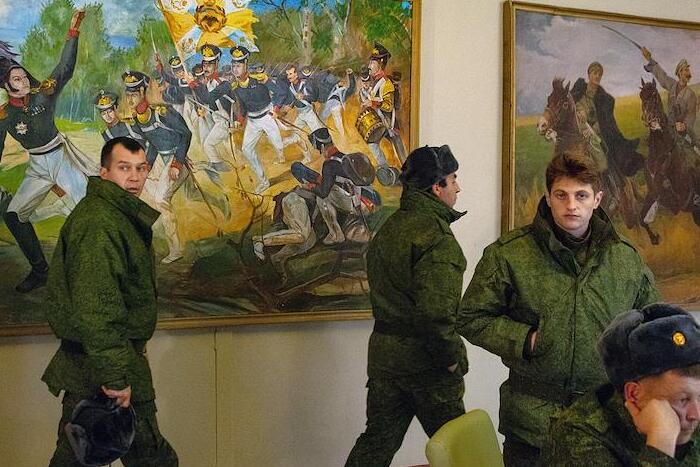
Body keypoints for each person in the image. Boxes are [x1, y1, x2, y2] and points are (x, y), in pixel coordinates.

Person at [457, 150, 660, 467]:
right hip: (532, 427)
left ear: (597, 199)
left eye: (581, 195)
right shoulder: (509, 254)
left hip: (603, 426)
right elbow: (471, 317)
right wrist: (526, 339)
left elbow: (654, 325)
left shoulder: (625, 259)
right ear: (549, 198)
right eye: (561, 195)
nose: (571, 205)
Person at [42, 136, 178, 466]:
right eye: (124, 168)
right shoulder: (100, 222)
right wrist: (116, 379)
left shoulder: (115, 215)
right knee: (151, 460)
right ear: (104, 172)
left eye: (141, 168)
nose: (134, 177)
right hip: (102, 367)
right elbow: (97, 307)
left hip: (105, 362)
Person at [345, 145, 468, 467]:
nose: (457, 187)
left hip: (385, 360)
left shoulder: (389, 229)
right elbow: (436, 314)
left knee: (375, 444)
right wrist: (451, 359)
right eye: (453, 179)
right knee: (459, 448)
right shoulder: (436, 237)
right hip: (428, 364)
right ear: (437, 186)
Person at [0, 9, 98, 293]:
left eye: (23, 76)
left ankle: (97, 270)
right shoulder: (4, 115)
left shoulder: (43, 94)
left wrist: (73, 30)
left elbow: (65, 68)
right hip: (38, 167)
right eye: (17, 79)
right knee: (15, 215)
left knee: (87, 212)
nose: (24, 81)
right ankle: (41, 270)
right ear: (7, 86)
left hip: (60, 157)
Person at [543, 303, 700, 465]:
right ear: (633, 393)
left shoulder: (690, 419)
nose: (696, 415)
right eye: (682, 400)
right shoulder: (578, 437)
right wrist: (661, 442)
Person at [123, 70, 192, 263]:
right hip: (162, 161)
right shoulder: (138, 118)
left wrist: (177, 163)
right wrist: (146, 167)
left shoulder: (162, 112)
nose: (130, 99)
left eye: (134, 94)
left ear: (143, 92)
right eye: (128, 95)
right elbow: (152, 143)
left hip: (177, 160)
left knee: (161, 199)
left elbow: (186, 134)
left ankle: (176, 249)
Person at [642, 47, 697, 146]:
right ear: (680, 72)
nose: (689, 74)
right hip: (668, 127)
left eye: (689, 71)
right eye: (686, 70)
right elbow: (662, 76)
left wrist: (684, 126)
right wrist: (649, 58)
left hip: (683, 134)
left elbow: (691, 116)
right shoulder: (672, 85)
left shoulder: (691, 95)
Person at [364, 43, 407, 167]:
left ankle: (405, 170)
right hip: (378, 122)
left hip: (388, 123)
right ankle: (385, 170)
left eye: (372, 63)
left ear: (381, 63)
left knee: (401, 154)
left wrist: (372, 103)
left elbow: (388, 106)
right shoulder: (375, 82)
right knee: (372, 144)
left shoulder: (386, 83)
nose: (369, 66)